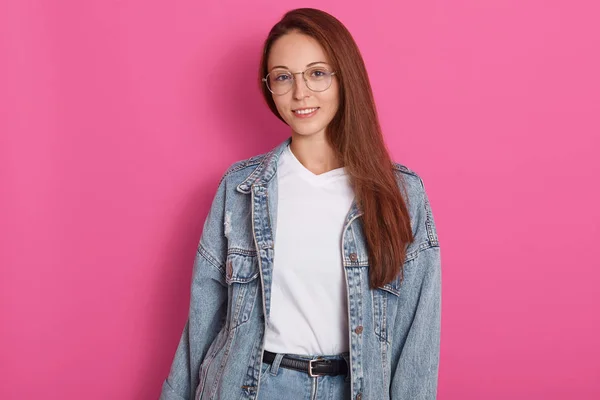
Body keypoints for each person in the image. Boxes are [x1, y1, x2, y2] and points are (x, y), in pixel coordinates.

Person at [159, 7, 441, 400]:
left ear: (345, 77)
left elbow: (418, 335)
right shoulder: (241, 188)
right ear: (269, 87)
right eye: (283, 77)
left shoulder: (401, 194)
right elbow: (202, 322)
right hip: (251, 386)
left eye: (317, 73)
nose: (300, 92)